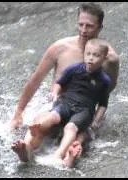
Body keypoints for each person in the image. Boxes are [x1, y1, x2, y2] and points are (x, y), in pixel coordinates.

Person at [10, 2, 119, 158]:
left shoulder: (110, 58)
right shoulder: (60, 48)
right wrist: (18, 112)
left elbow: (108, 89)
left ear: (100, 28)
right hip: (59, 104)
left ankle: (70, 151)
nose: (83, 30)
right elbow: (36, 80)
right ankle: (26, 149)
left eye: (89, 26)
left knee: (80, 135)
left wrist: (93, 119)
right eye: (81, 24)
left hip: (83, 110)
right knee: (41, 123)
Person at [12, 38, 111, 168]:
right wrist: (54, 93)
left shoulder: (104, 80)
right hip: (66, 103)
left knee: (70, 128)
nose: (91, 58)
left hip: (84, 111)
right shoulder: (74, 69)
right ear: (84, 54)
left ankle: (59, 154)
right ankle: (37, 128)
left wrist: (96, 121)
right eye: (88, 54)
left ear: (104, 58)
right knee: (52, 116)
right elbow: (59, 83)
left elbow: (103, 104)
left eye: (96, 55)